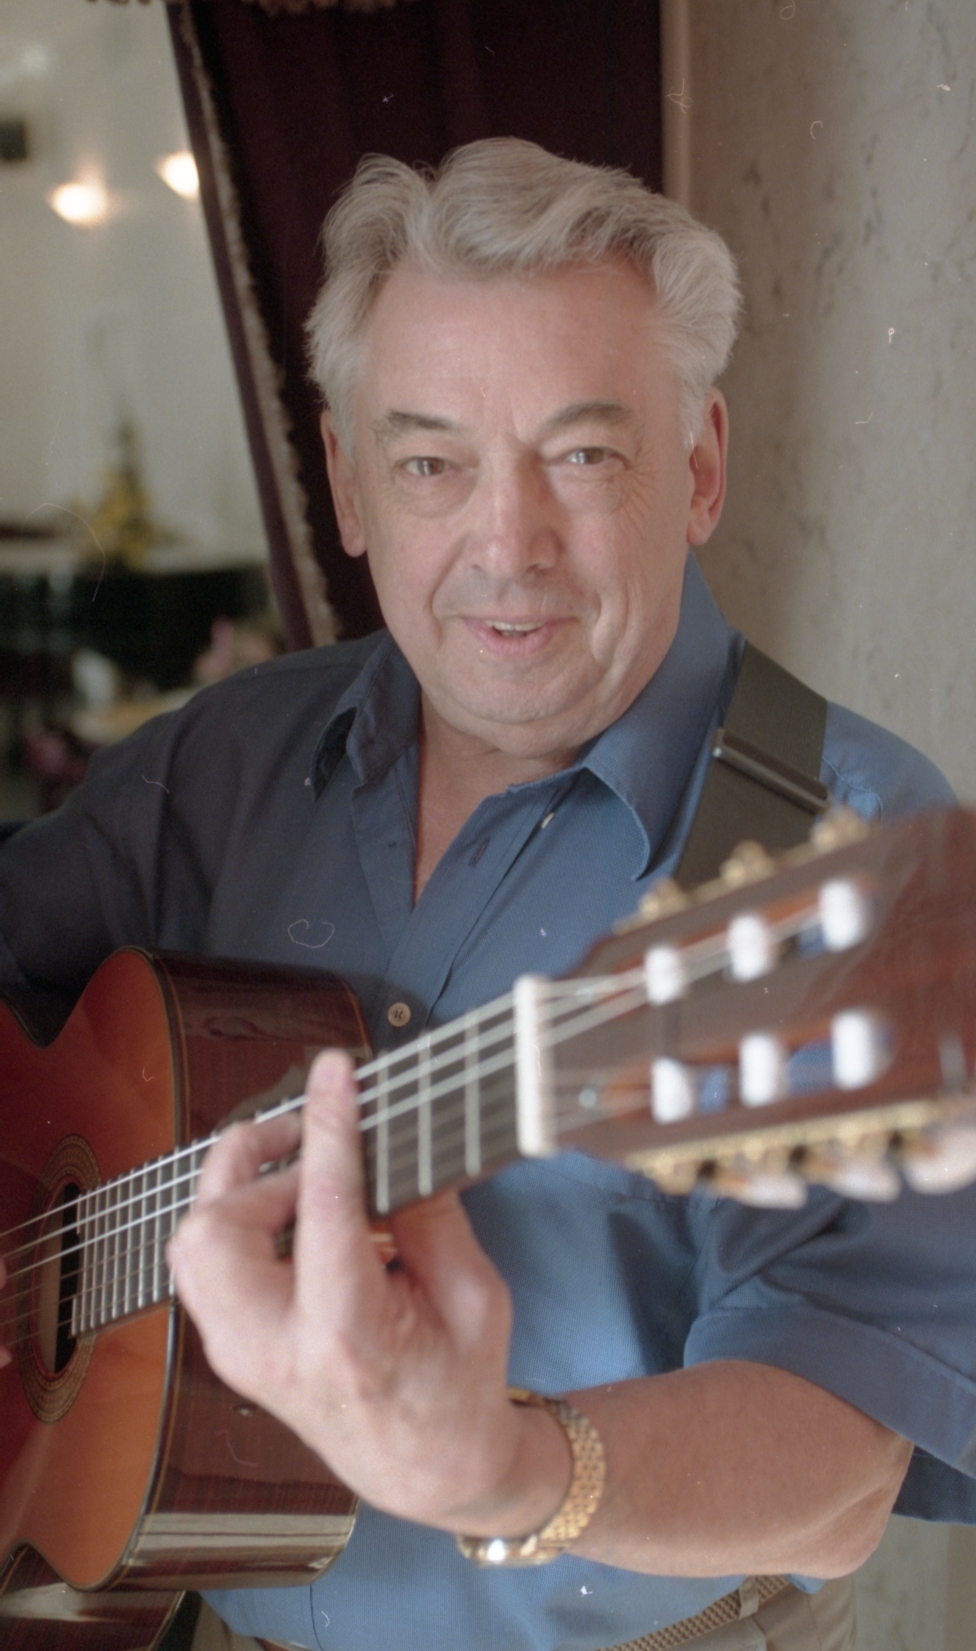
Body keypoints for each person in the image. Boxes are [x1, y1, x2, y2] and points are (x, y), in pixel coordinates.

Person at [1, 140, 971, 1651]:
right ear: (347, 484)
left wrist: (513, 1471)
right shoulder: (223, 763)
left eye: (582, 455)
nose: (507, 546)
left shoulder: (853, 847)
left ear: (700, 466)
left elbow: (840, 1476)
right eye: (432, 465)